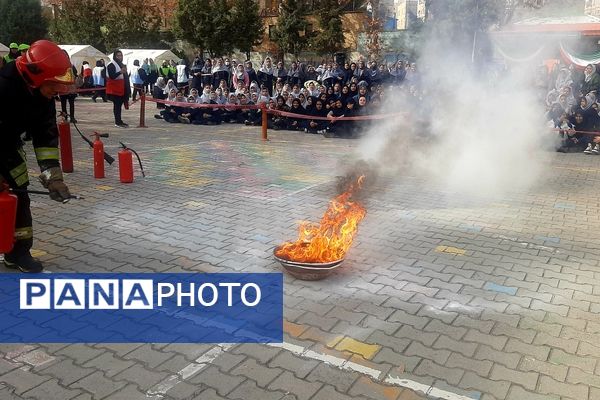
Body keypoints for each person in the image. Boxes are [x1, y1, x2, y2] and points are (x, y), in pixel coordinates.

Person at [0, 40, 73, 272]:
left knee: (20, 197)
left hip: (9, 148)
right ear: (35, 76)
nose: (57, 91)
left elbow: (46, 139)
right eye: (54, 84)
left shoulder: (44, 98)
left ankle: (18, 253)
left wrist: (53, 178)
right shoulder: (3, 87)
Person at [106, 49, 131, 128]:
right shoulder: (111, 65)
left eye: (121, 55)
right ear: (115, 56)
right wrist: (120, 72)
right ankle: (117, 122)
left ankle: (119, 121)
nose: (120, 57)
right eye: (118, 56)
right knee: (117, 106)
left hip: (122, 89)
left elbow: (125, 76)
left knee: (119, 106)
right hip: (115, 89)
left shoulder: (121, 64)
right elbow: (112, 76)